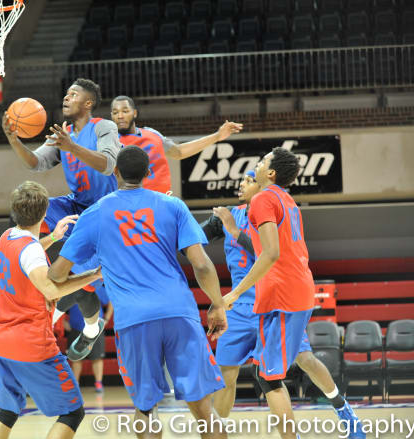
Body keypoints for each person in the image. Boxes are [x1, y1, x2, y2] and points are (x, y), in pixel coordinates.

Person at [49, 146, 229, 439]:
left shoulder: (95, 213)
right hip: (179, 313)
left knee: (146, 410)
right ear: (148, 174)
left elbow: (57, 274)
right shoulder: (173, 206)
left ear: (115, 172)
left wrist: (82, 264)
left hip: (134, 320)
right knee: (204, 410)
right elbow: (202, 265)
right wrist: (217, 305)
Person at [202, 171, 365, 439]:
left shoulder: (275, 209)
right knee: (225, 374)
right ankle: (218, 433)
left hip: (274, 303)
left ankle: (343, 409)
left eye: (249, 180)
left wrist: (233, 230)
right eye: (241, 180)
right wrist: (171, 215)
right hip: (239, 308)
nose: (242, 184)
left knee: (306, 360)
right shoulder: (230, 213)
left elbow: (269, 253)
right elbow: (192, 236)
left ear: (263, 183)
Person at [3, 78, 121, 362]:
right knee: (25, 205)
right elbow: (35, 163)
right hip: (75, 204)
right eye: (66, 94)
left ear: (88, 103)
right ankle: (22, 290)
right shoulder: (63, 133)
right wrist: (14, 139)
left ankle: (87, 327)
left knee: (77, 276)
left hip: (104, 211)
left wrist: (72, 146)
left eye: (73, 94)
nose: (66, 98)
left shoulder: (104, 127)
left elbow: (108, 164)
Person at [0, 181, 102, 439]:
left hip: (1, 341)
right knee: (72, 413)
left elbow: (27, 253)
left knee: (6, 412)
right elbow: (51, 290)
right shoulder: (31, 251)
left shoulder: (7, 237)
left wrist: (53, 237)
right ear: (45, 211)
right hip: (31, 342)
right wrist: (94, 274)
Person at [111, 95, 243, 194]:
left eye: (125, 111)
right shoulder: (109, 142)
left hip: (162, 203)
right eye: (115, 112)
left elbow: (179, 152)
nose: (120, 116)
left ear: (134, 113)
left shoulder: (152, 134)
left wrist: (217, 136)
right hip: (131, 208)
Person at [63, 285, 113, 393]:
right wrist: (62, 321)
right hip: (76, 327)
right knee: (75, 358)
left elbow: (110, 301)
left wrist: (107, 318)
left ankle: (98, 383)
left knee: (97, 357)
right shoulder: (71, 287)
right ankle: (75, 384)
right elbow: (58, 303)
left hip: (95, 328)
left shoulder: (97, 287)